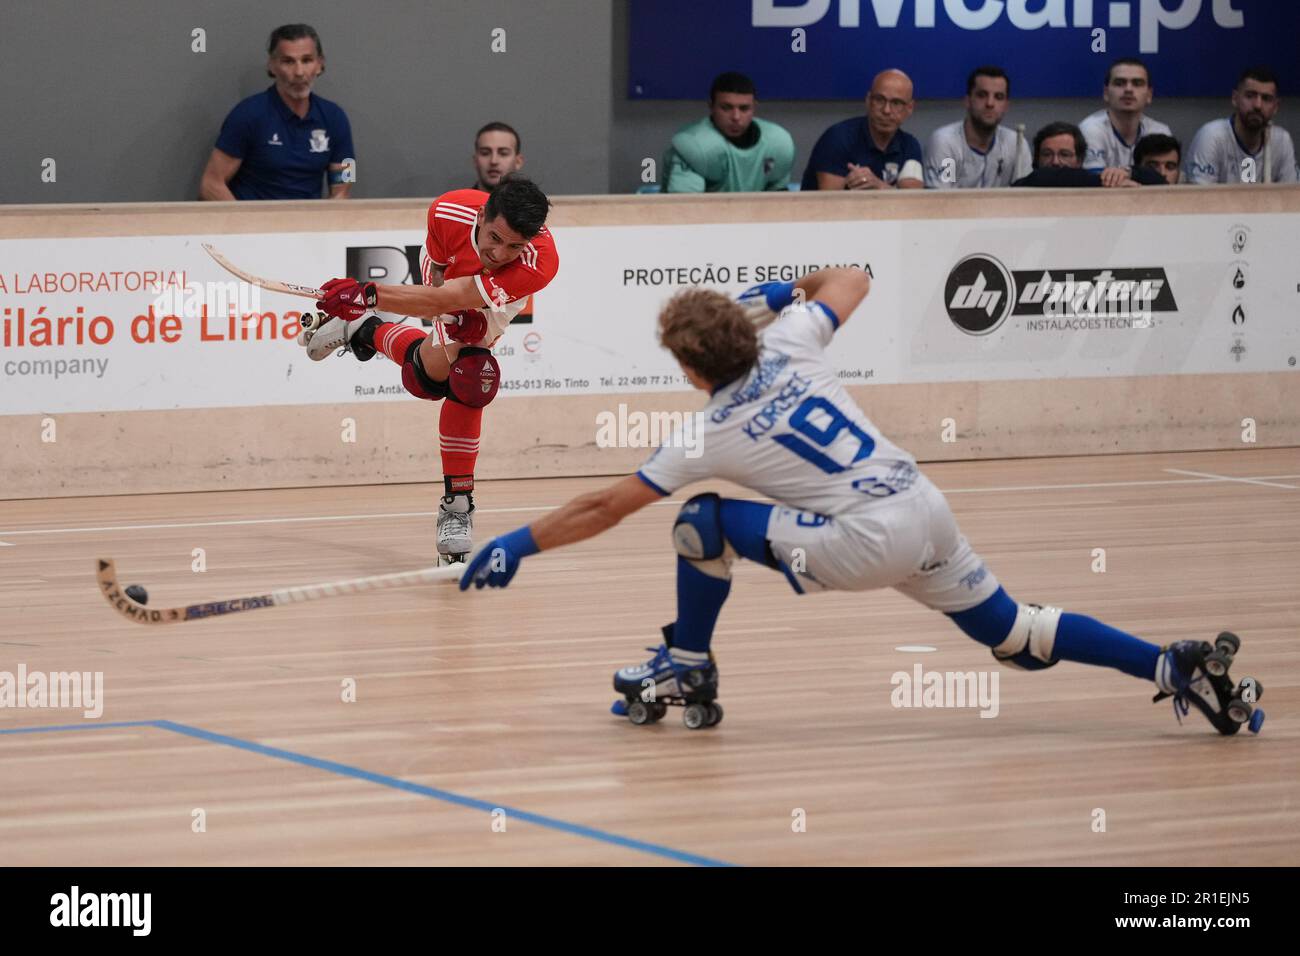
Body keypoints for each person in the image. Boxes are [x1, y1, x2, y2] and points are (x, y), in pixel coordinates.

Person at [458, 268, 1265, 737]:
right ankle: (1170, 664)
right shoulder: (791, 337)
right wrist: (777, 291)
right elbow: (854, 275)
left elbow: (606, 507)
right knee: (1016, 635)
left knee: (699, 524)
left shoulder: (709, 431)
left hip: (862, 540)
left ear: (693, 368)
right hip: (922, 506)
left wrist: (516, 545)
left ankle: (688, 668)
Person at [301, 175, 559, 563]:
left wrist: (369, 294)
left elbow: (462, 294)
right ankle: (363, 329)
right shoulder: (447, 210)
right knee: (443, 377)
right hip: (448, 273)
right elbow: (439, 283)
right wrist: (447, 315)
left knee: (466, 378)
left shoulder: (537, 261)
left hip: (499, 294)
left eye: (514, 246)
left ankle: (365, 330)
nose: (500, 252)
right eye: (494, 237)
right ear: (483, 214)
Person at [200, 24, 355, 200]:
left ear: (319, 65)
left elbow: (344, 186)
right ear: (272, 66)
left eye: (307, 60)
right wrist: (245, 224)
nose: (299, 72)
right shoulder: (247, 114)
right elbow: (211, 184)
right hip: (254, 223)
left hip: (308, 224)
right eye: (288, 61)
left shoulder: (336, 117)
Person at [662, 72, 795, 192]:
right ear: (711, 107)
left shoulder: (778, 143)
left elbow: (777, 199)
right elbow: (685, 209)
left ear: (754, 107)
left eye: (744, 108)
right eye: (726, 108)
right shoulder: (694, 146)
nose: (736, 117)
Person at [801, 70, 924, 190]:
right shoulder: (837, 139)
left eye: (896, 103)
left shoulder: (909, 146)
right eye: (879, 100)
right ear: (868, 100)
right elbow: (829, 203)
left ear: (910, 108)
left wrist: (879, 186)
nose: (886, 110)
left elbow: (912, 201)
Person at [1185, 67, 1298, 184]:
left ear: (1276, 107)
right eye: (1250, 96)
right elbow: (1200, 199)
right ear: (1235, 98)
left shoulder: (1282, 141)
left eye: (1266, 99)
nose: (1258, 105)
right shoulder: (1211, 137)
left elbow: (1291, 196)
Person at [924, 66, 1031, 189]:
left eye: (999, 97)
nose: (990, 103)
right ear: (967, 101)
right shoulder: (947, 143)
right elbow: (943, 199)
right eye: (982, 95)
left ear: (1006, 106)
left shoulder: (1017, 144)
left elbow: (1025, 197)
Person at [1079, 59, 1171, 174]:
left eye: (1137, 83)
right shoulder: (1091, 129)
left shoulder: (1159, 132)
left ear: (1149, 94)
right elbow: (1094, 181)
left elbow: (1165, 178)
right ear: (1106, 93)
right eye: (1119, 83)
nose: (1128, 89)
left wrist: (1126, 175)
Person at [1013, 122, 1165, 187]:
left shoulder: (1087, 181)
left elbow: (1159, 181)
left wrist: (1126, 173)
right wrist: (1108, 183)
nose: (1055, 161)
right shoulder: (1026, 183)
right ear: (1036, 158)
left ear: (1079, 160)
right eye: (1047, 154)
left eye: (1064, 154)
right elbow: (1045, 177)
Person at [472, 122, 524, 192]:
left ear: (518, 162)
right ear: (475, 161)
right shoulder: (457, 202)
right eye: (485, 153)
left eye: (503, 153)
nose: (493, 161)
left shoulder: (534, 202)